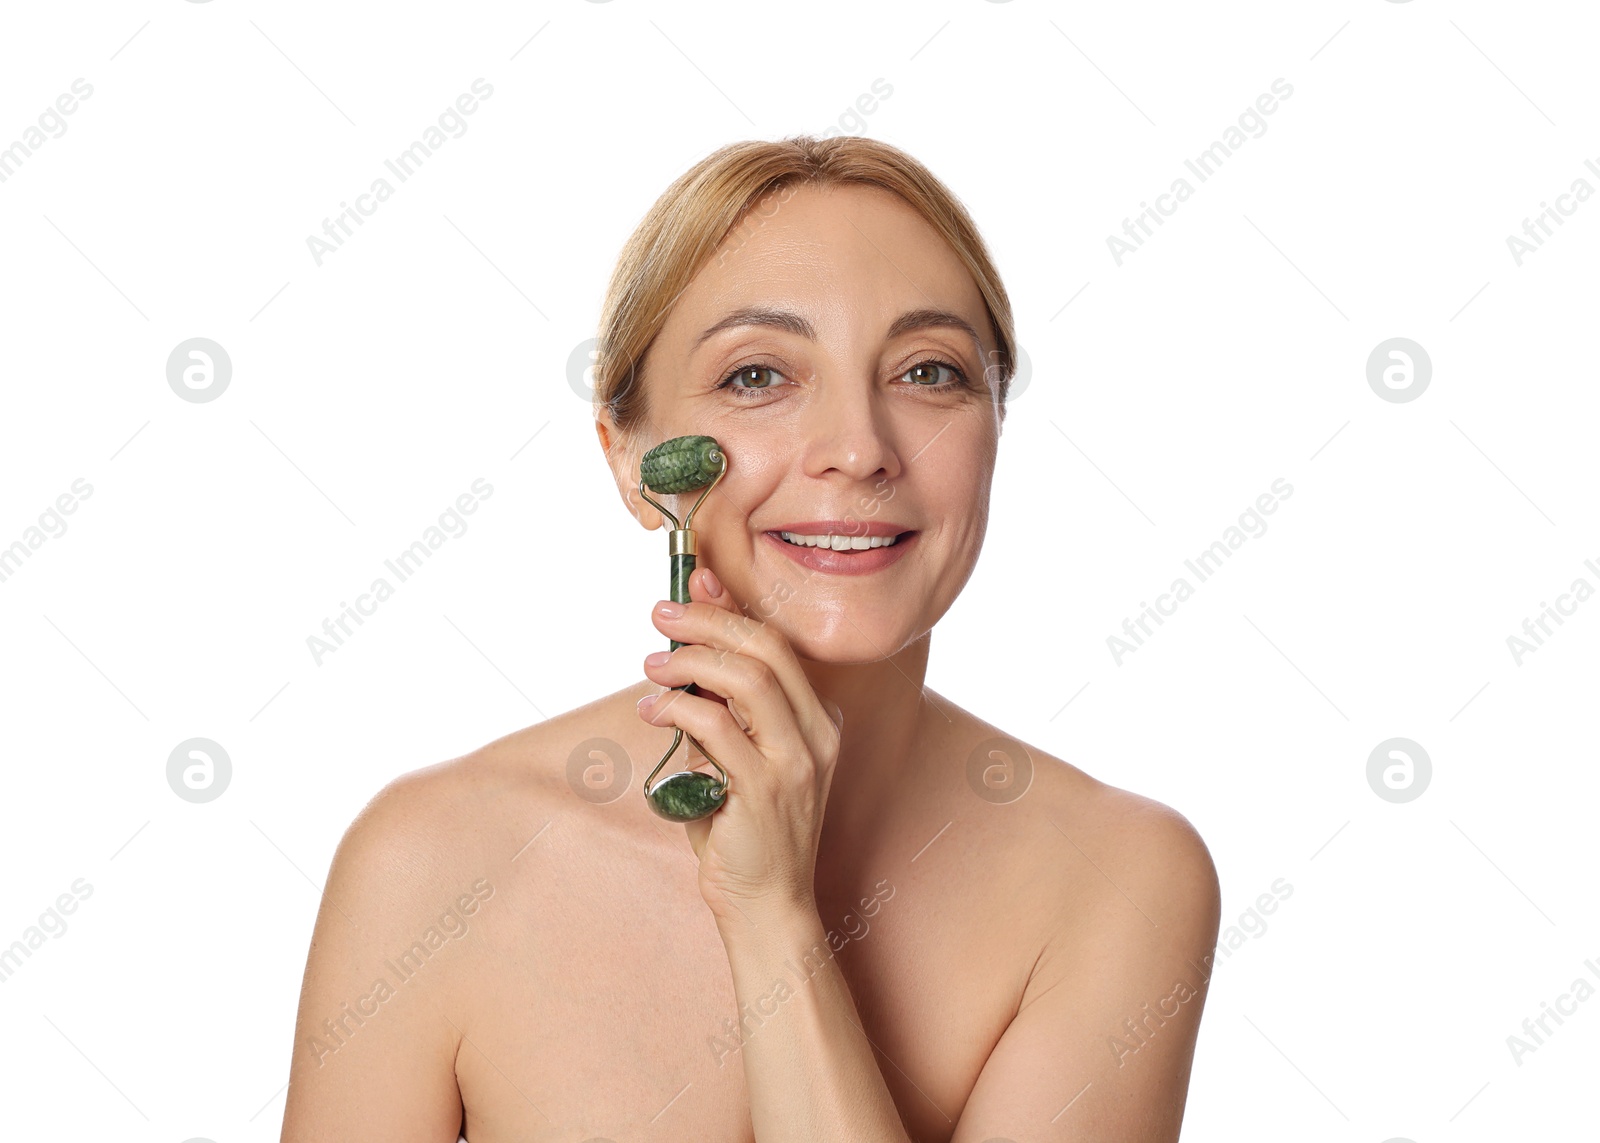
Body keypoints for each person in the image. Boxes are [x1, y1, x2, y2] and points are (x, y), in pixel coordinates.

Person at [279, 135, 1222, 1143]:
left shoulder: (1119, 878)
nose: (859, 448)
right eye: (758, 376)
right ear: (632, 458)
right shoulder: (431, 864)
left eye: (928, 371)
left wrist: (773, 919)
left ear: (992, 425)